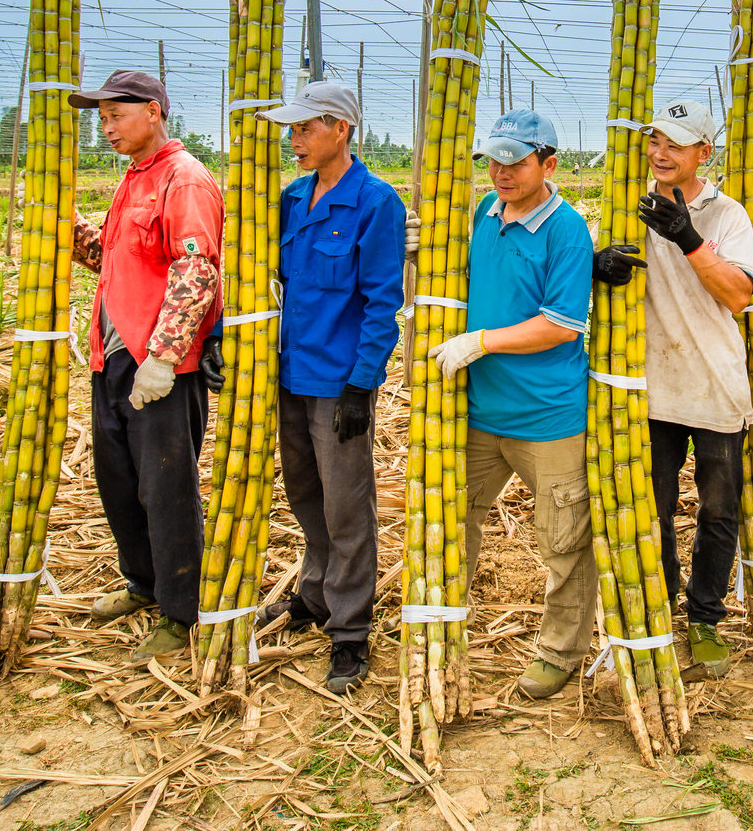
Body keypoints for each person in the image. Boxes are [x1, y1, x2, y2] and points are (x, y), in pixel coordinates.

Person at [428, 108, 601, 700]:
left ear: (548, 164)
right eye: (494, 161)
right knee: (454, 522)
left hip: (547, 416)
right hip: (480, 412)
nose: (501, 172)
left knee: (563, 540)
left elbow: (561, 325)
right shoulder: (484, 212)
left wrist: (479, 342)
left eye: (516, 161)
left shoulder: (566, 231)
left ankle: (560, 653)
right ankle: (443, 627)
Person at [597, 97, 753, 679]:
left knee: (718, 510)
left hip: (716, 383)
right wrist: (597, 264)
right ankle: (663, 603)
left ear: (703, 153)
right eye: (655, 142)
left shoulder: (727, 215)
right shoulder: (626, 207)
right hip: (649, 386)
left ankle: (707, 616)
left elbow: (739, 294)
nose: (661, 154)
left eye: (676, 144)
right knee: (655, 508)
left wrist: (689, 237)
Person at [253, 81, 405, 695]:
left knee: (347, 506)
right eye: (291, 130)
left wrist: (358, 386)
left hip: (339, 381)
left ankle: (350, 630)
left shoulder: (376, 203)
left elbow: (381, 303)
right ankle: (314, 594)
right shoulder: (293, 199)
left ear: (340, 129)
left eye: (304, 130)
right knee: (305, 492)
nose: (294, 141)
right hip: (291, 374)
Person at [68, 70, 224, 661]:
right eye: (101, 118)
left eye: (116, 115)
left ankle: (179, 611)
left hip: (157, 365)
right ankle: (143, 583)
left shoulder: (184, 180)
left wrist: (162, 356)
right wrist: (67, 227)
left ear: (155, 111)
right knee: (120, 482)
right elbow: (115, 261)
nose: (105, 127)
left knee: (166, 489)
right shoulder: (133, 179)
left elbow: (196, 270)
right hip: (110, 355)